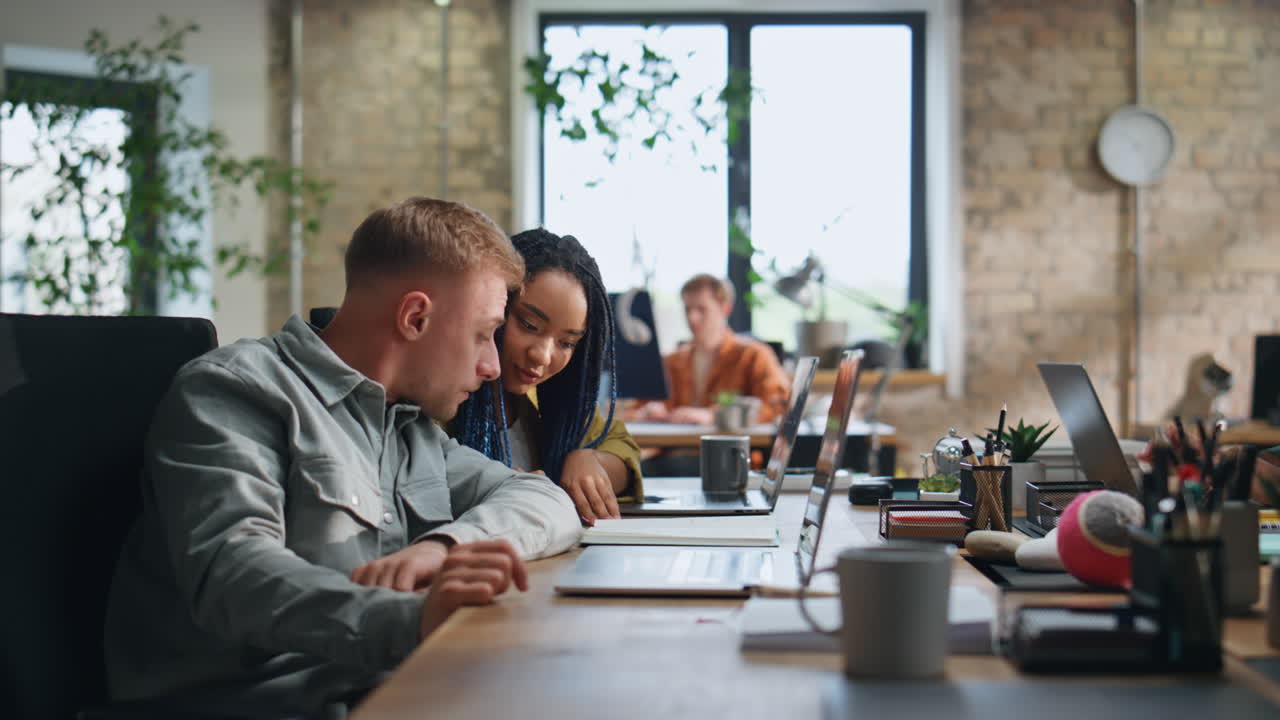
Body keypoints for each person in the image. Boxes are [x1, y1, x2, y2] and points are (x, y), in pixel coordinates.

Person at [104, 198, 581, 718]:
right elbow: (233, 575)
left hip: (389, 691)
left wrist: (445, 546)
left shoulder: (407, 428)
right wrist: (413, 620)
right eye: (483, 333)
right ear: (416, 317)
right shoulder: (237, 391)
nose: (492, 364)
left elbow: (544, 498)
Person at [452, 228, 642, 522]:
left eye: (566, 343)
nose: (542, 355)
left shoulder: (544, 403)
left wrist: (588, 460)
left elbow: (621, 446)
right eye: (529, 325)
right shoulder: (444, 399)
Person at [634, 273, 790, 425]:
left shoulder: (753, 355)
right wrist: (647, 411)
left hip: (728, 450)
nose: (692, 318)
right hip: (672, 449)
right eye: (687, 309)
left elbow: (777, 404)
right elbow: (636, 408)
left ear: (725, 309)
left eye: (702, 309)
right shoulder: (671, 362)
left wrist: (714, 416)